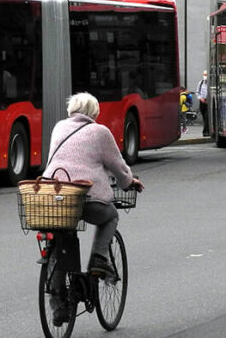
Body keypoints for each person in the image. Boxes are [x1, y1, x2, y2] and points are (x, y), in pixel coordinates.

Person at [42, 92, 144, 326]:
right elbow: (117, 166)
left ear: (71, 110)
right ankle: (99, 258)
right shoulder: (100, 132)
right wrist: (129, 182)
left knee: (61, 241)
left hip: (56, 198)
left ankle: (57, 304)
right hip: (87, 198)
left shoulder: (58, 127)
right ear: (94, 113)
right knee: (110, 216)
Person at [197, 70, 209, 136]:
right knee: (204, 117)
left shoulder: (211, 83)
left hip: (208, 102)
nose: (205, 76)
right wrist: (200, 98)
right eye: (204, 74)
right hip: (202, 102)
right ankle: (208, 130)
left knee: (207, 117)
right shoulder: (201, 82)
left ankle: (205, 132)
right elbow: (197, 92)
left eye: (206, 74)